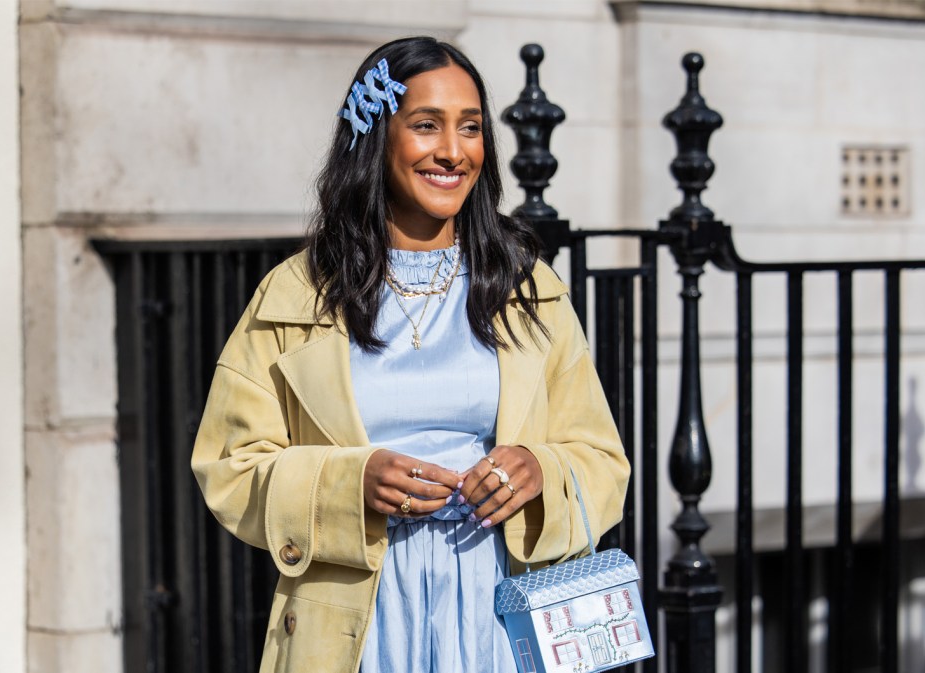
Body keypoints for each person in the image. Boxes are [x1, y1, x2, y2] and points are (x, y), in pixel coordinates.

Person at [191, 36, 628, 673]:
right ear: (375, 138)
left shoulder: (528, 289)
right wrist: (349, 484)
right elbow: (228, 466)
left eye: (471, 128)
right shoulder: (293, 295)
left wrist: (538, 468)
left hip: (503, 612)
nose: (453, 151)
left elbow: (602, 460)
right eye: (426, 125)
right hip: (354, 620)